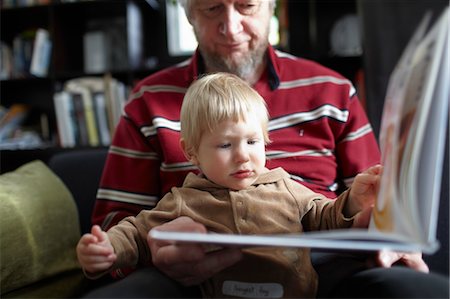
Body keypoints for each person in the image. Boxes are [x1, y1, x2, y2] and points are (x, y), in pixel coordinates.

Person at [87, 0, 448, 298]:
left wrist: (395, 230)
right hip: (187, 279)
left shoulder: (332, 90)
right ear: (189, 15)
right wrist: (156, 251)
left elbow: (373, 198)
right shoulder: (147, 101)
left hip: (326, 269)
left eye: (246, 6)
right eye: (212, 9)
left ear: (271, 8)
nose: (231, 26)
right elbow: (115, 226)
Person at [79, 73, 382, 298]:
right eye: (225, 145)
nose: (242, 156)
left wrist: (353, 200)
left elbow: (325, 217)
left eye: (252, 141)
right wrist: (108, 248)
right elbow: (137, 232)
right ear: (191, 152)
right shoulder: (184, 200)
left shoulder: (285, 186)